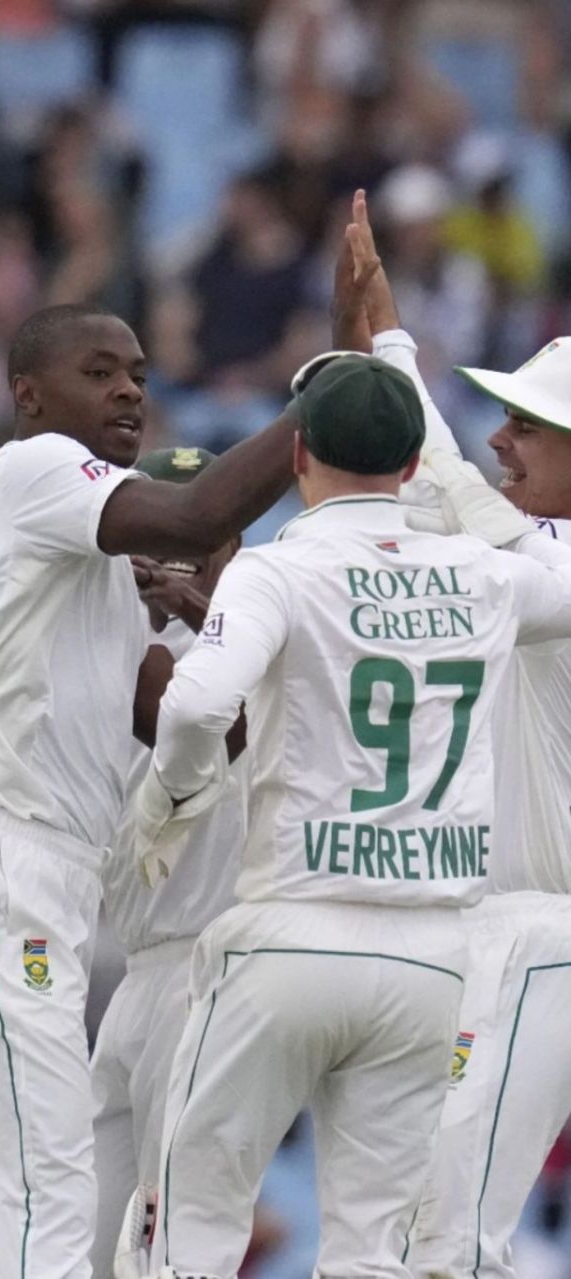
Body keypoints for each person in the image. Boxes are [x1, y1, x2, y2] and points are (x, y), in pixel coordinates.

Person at [0, 283, 326, 1278]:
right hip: (2, 862)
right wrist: (337, 397)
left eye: (140, 376)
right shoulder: (33, 468)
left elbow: (197, 724)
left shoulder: (98, 575)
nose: (127, 392)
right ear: (27, 395)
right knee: (51, 1187)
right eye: (97, 372)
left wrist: (203, 617)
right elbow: (197, 512)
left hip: (22, 881)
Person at [133, 352, 571, 1279]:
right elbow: (531, 560)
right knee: (381, 1256)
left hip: (293, 930)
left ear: (294, 453)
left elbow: (199, 705)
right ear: (415, 466)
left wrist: (169, 797)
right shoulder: (487, 577)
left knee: (188, 1230)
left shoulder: (280, 569)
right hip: (429, 959)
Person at [348, 203, 571, 1279]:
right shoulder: (536, 554)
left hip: (547, 935)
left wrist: (393, 345)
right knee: (423, 1231)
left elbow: (456, 506)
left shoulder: (552, 565)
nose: (501, 438)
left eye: (528, 426)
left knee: (449, 1237)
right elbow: (445, 509)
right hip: (502, 930)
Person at [87, 448, 249, 1279]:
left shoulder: (275, 640)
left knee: (172, 1235)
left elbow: (232, 729)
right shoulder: (100, 642)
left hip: (213, 962)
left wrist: (205, 611)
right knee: (85, 1241)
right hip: (134, 971)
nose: (179, 553)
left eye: (202, 525)